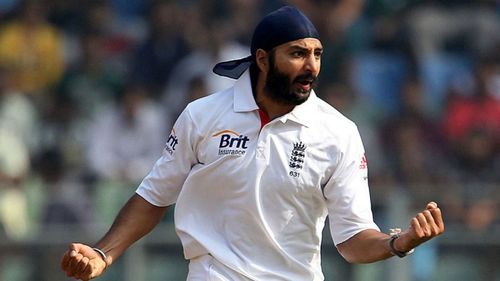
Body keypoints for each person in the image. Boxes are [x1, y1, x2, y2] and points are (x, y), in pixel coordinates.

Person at [61, 6, 444, 281]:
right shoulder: (203, 115)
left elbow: (352, 241)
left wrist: (399, 242)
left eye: (317, 54)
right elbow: (153, 197)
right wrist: (102, 253)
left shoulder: (338, 132)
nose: (311, 66)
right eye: (297, 53)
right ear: (262, 59)